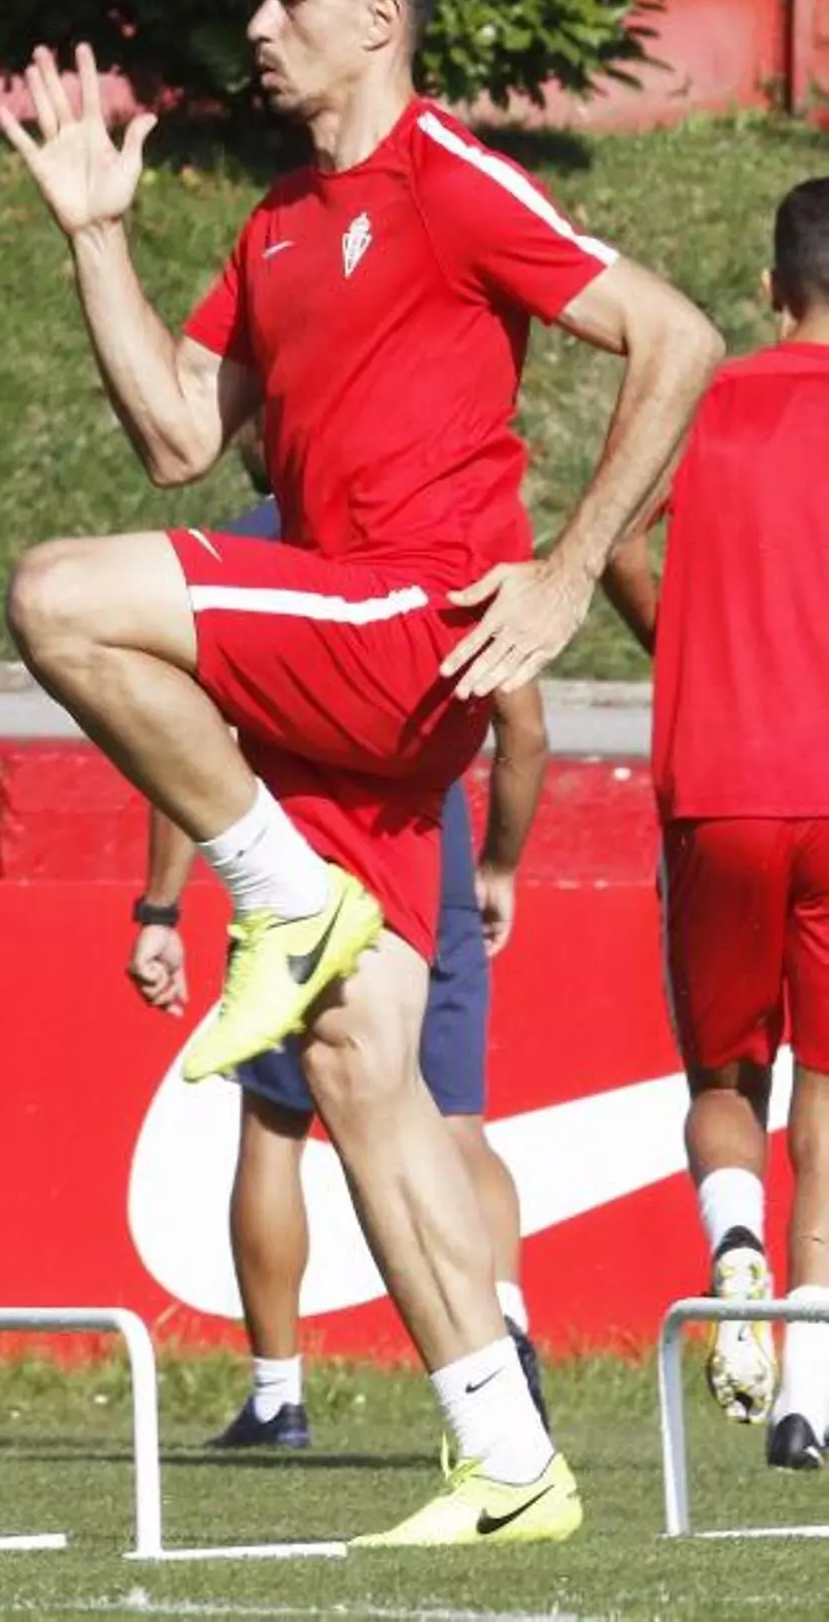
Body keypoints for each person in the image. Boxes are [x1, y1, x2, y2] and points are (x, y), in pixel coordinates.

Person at [0, 0, 722, 1545]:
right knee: (357, 1062)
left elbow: (675, 336)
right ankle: (508, 1456)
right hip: (343, 665)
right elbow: (180, 436)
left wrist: (568, 572)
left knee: (56, 594)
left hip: (408, 625)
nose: (260, 24)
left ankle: (279, 888)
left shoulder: (448, 177)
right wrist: (96, 238)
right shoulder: (274, 224)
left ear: (381, 21)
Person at [130, 488, 550, 1450]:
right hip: (432, 860)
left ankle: (277, 1394)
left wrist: (160, 907)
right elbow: (523, 730)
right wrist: (499, 865)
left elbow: (186, 742)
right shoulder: (442, 532)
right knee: (456, 1123)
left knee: (276, 1127)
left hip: (307, 868)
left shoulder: (242, 546)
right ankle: (507, 1330)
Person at [603, 176, 829, 1474]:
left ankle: (733, 1244)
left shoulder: (706, 399)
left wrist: (690, 651)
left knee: (726, 1080)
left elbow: (614, 542)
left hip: (721, 785)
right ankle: (811, 1391)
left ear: (769, 287)